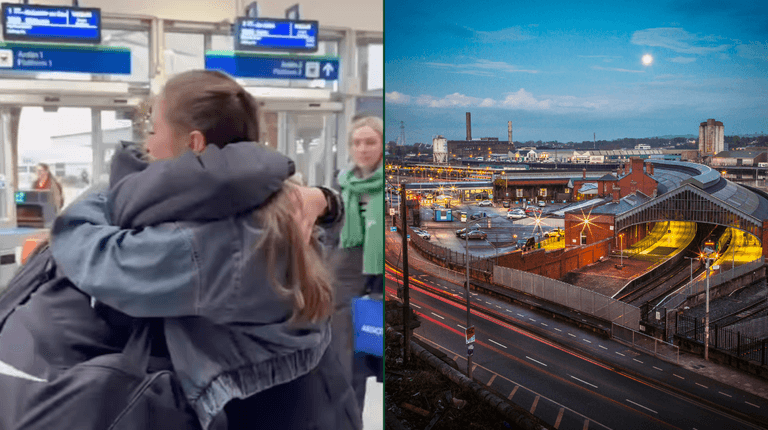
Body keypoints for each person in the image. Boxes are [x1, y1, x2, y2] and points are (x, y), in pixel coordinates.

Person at [0, 70, 359, 430]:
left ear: (194, 142)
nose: (146, 146)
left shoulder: (215, 238)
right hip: (317, 400)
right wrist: (328, 201)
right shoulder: (281, 203)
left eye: (154, 131)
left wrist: (103, 203)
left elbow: (101, 258)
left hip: (277, 413)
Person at [335, 115, 384, 415]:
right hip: (344, 284)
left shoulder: (385, 187)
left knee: (369, 357)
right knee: (346, 369)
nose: (363, 148)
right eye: (357, 142)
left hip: (377, 285)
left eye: (370, 142)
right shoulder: (340, 186)